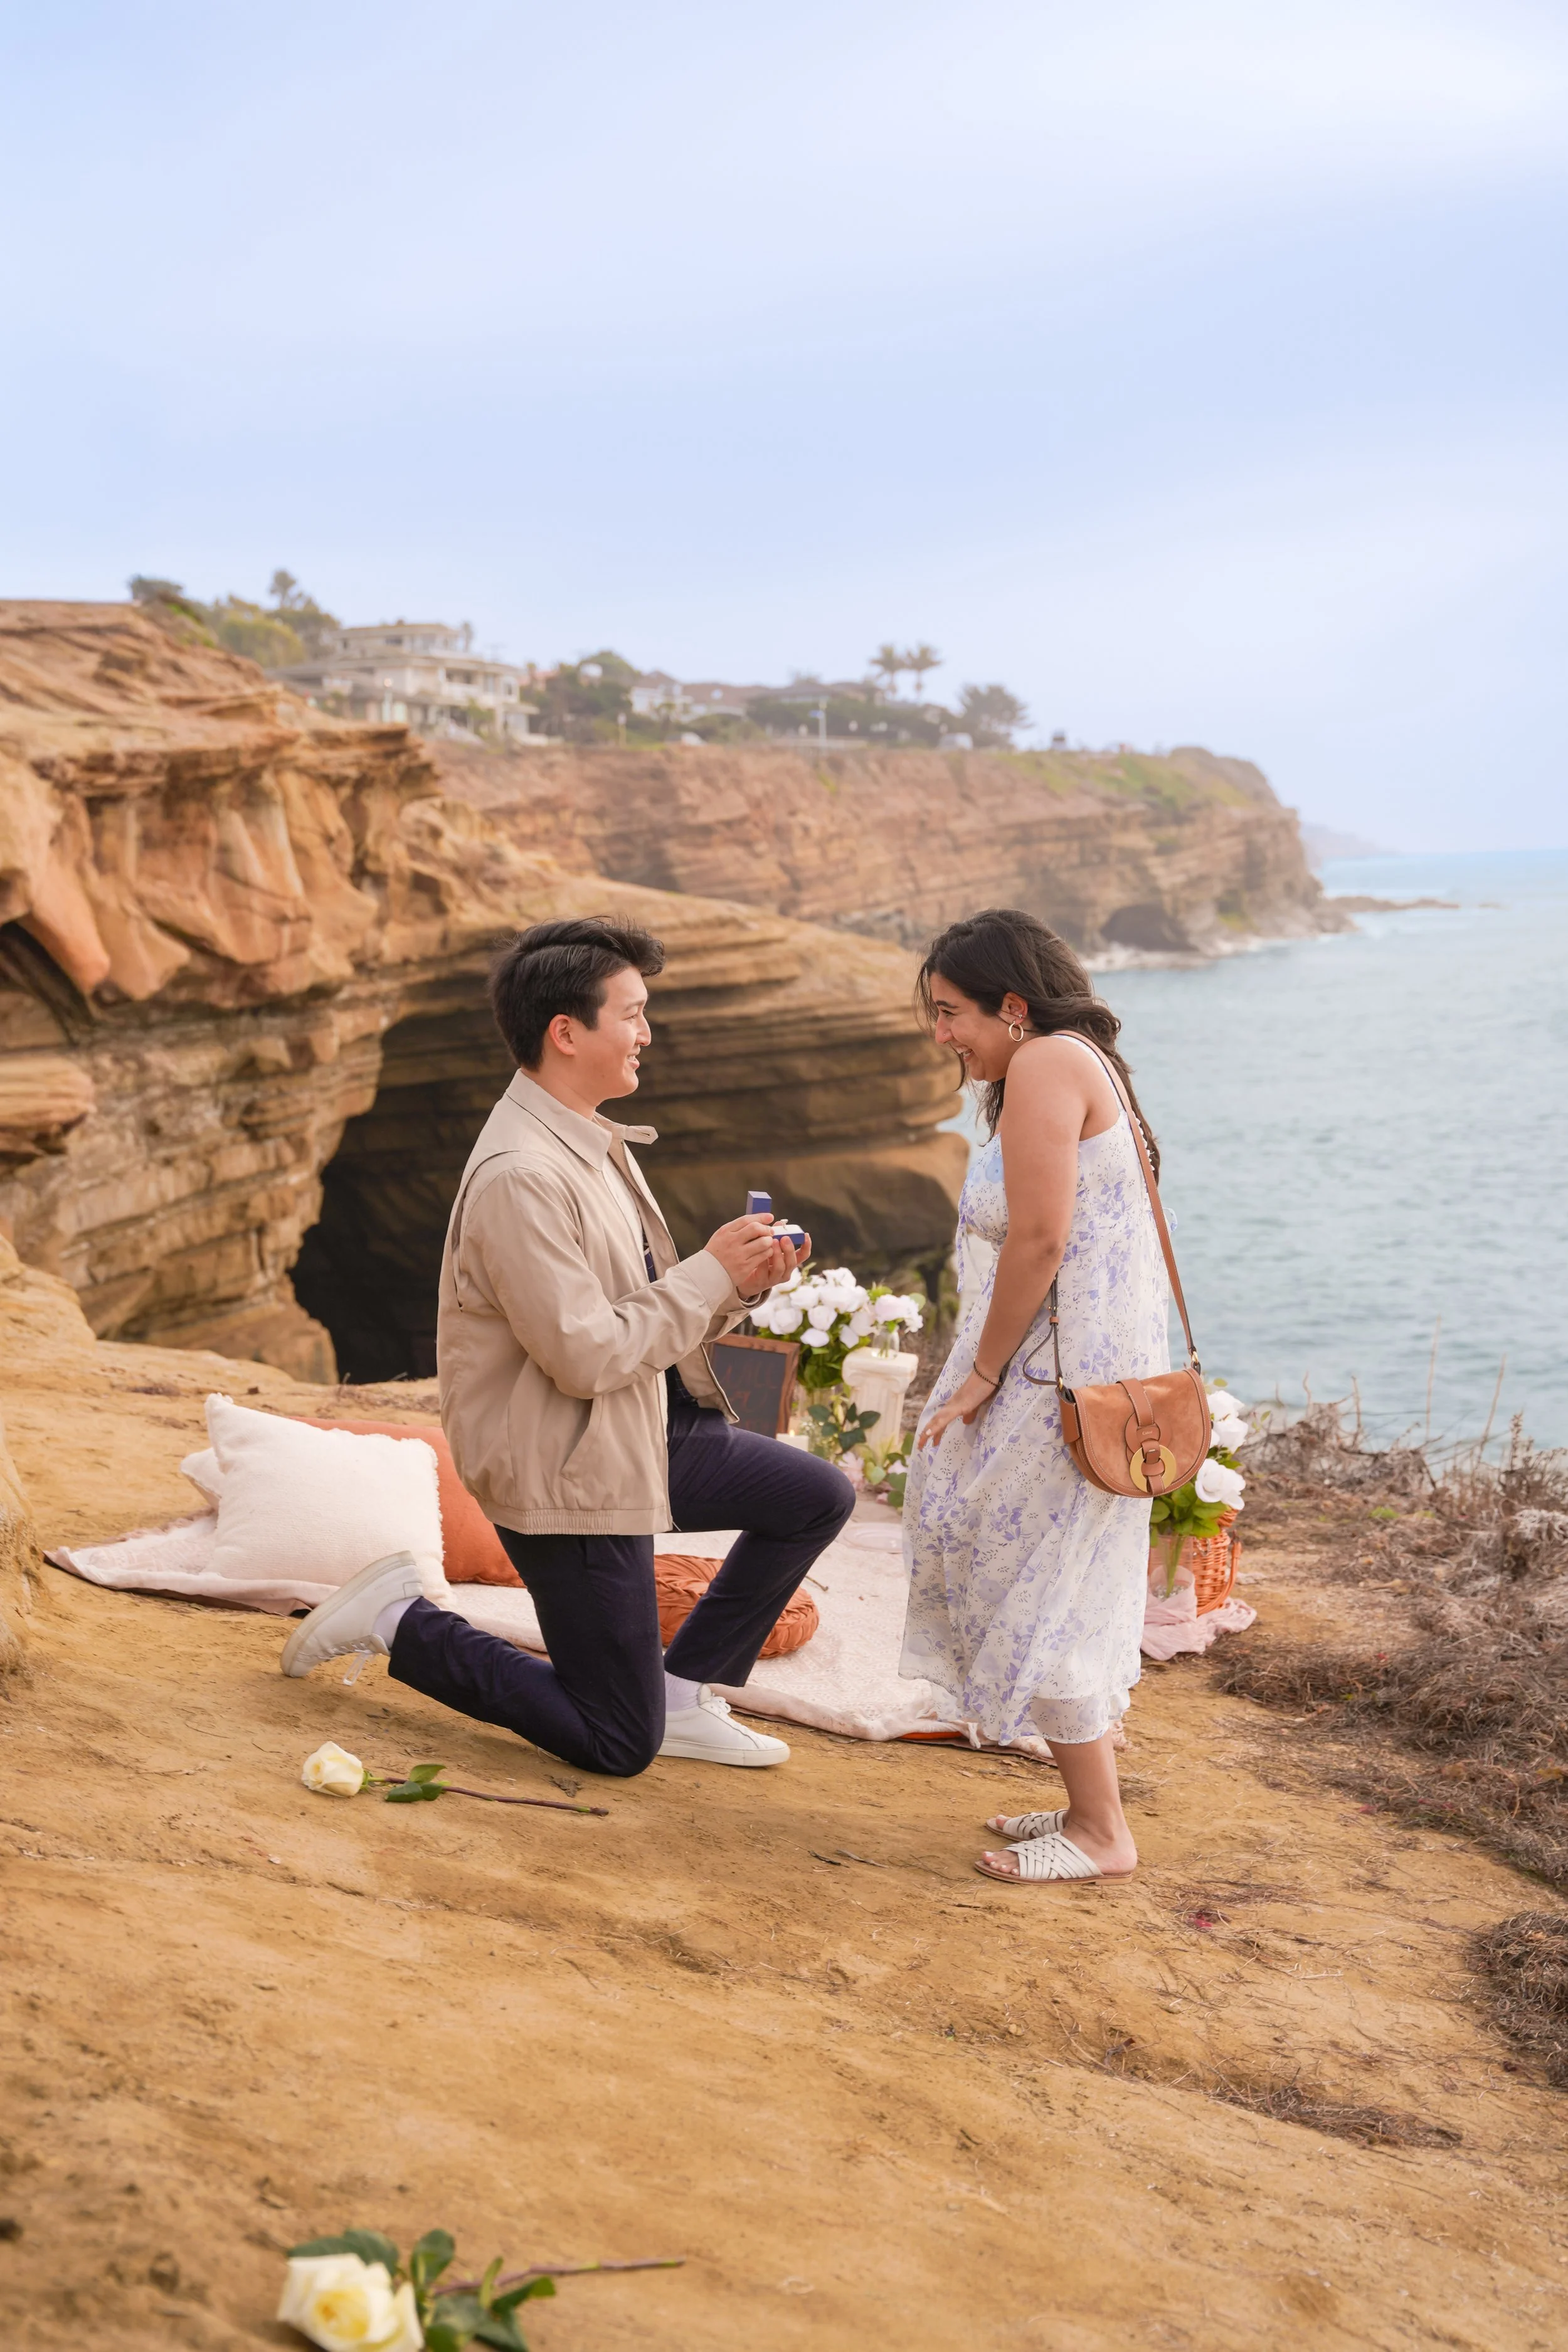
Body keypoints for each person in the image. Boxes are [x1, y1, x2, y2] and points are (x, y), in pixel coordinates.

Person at [281, 914, 854, 1774]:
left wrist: (735, 1284)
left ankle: (683, 1693)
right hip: (565, 1458)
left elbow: (636, 1315)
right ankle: (401, 1618)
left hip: (634, 1424)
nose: (647, 1034)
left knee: (814, 1496)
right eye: (633, 1014)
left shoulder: (586, 1137)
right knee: (616, 1741)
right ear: (566, 1032)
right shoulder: (523, 1176)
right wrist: (708, 1272)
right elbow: (585, 1355)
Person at [900, 908, 1168, 1884]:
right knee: (1042, 1575)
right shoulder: (1067, 1060)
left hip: (1055, 1378)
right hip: (1071, 1370)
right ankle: (1087, 1805)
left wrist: (979, 1374)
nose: (942, 1034)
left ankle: (1102, 1830)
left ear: (1012, 1005)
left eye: (951, 1012)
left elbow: (1041, 1237)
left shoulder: (1050, 1062)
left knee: (1032, 1576)